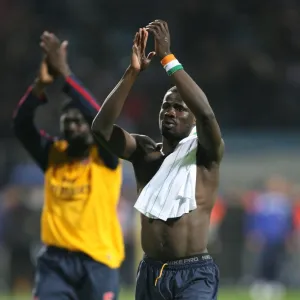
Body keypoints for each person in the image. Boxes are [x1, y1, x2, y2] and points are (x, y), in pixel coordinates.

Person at [92, 20, 224, 300]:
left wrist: (168, 59)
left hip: (194, 273)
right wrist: (132, 73)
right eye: (166, 106)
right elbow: (100, 129)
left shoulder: (205, 155)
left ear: (192, 120)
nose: (170, 112)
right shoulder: (144, 152)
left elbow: (207, 115)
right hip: (150, 273)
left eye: (179, 108)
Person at [13, 31, 124, 300]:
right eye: (67, 121)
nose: (73, 126)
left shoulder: (106, 157)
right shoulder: (54, 154)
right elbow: (21, 125)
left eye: (79, 121)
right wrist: (39, 86)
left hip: (98, 260)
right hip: (55, 262)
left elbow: (98, 115)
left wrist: (65, 73)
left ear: (91, 127)